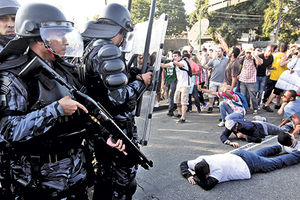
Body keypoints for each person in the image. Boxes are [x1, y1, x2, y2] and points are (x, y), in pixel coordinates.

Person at [0, 3, 127, 199]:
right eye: (60, 34)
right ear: (41, 38)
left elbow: (86, 112)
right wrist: (55, 110)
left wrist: (104, 136)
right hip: (40, 180)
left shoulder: (64, 70)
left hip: (76, 173)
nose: (66, 40)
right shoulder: (14, 77)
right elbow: (8, 131)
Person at [80, 3, 152, 199]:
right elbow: (119, 98)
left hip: (99, 127)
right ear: (120, 30)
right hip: (116, 128)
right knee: (122, 183)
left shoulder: (89, 47)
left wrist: (132, 76)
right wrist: (142, 83)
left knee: (104, 177)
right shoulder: (108, 49)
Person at [180, 137, 300, 190]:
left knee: (276, 162)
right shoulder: (201, 159)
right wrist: (189, 174)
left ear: (209, 172)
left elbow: (207, 185)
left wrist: (193, 176)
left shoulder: (217, 171)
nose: (207, 178)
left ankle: (298, 154)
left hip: (249, 164)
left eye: (206, 176)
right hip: (241, 155)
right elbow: (183, 163)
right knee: (259, 154)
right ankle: (278, 147)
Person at [161, 50, 191, 123]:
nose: (174, 57)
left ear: (180, 56)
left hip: (185, 85)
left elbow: (180, 65)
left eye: (176, 56)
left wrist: (172, 60)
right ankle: (180, 113)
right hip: (179, 84)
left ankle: (183, 117)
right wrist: (158, 63)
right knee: (177, 100)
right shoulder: (174, 63)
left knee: (184, 102)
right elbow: (165, 66)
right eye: (173, 56)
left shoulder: (183, 62)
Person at [221, 119, 285, 148]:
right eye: (233, 129)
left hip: (264, 128)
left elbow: (258, 139)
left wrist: (244, 136)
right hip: (254, 123)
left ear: (236, 123)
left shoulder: (248, 127)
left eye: (236, 126)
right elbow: (223, 136)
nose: (235, 129)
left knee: (282, 131)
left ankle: (289, 125)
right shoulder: (231, 125)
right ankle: (260, 118)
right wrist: (230, 143)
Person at [263, 43, 289, 112]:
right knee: (275, 91)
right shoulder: (284, 56)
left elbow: (271, 64)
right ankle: (266, 104)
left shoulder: (275, 55)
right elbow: (281, 64)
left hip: (274, 74)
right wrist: (289, 61)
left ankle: (277, 104)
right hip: (280, 76)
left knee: (279, 91)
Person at [238, 48, 263, 114]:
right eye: (247, 53)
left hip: (251, 80)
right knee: (243, 95)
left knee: (253, 95)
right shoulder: (243, 58)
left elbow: (260, 62)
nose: (248, 54)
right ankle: (245, 108)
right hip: (243, 79)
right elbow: (237, 59)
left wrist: (254, 55)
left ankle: (255, 108)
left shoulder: (254, 59)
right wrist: (242, 52)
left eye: (249, 53)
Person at [205, 47, 229, 113]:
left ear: (222, 52)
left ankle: (220, 106)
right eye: (217, 51)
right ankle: (210, 106)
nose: (218, 53)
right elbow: (206, 66)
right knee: (211, 95)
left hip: (222, 80)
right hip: (213, 79)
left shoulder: (226, 60)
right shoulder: (213, 60)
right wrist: (209, 68)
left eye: (219, 51)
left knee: (221, 95)